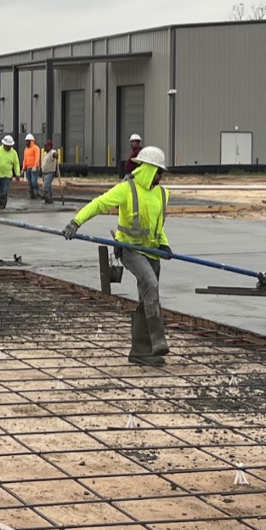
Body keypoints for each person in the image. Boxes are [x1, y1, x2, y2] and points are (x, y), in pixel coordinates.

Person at [64, 145, 171, 365]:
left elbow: (159, 225)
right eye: (159, 172)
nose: (161, 176)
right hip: (129, 249)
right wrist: (76, 222)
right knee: (150, 284)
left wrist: (165, 244)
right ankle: (158, 340)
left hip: (152, 251)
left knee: (148, 296)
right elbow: (99, 204)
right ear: (148, 170)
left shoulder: (162, 193)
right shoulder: (126, 189)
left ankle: (141, 352)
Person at [0, 134, 20, 209]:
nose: (8, 147)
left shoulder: (13, 153)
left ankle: (2, 206)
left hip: (7, 176)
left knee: (4, 193)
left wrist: (17, 173)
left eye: (10, 146)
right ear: (4, 144)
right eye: (7, 145)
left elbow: (16, 163)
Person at [40, 137, 61, 203]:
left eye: (46, 146)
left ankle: (46, 196)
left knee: (45, 187)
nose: (44, 147)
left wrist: (56, 155)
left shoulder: (52, 152)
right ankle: (49, 199)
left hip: (50, 173)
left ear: (49, 146)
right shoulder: (45, 153)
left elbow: (55, 154)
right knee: (48, 187)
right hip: (44, 173)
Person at [22, 134, 42, 199]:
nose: (26, 143)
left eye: (28, 141)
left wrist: (35, 166)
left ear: (31, 141)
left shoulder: (36, 148)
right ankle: (33, 194)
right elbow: (25, 159)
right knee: (30, 182)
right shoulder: (26, 150)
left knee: (34, 181)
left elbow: (37, 157)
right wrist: (23, 168)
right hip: (28, 168)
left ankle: (36, 192)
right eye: (26, 141)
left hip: (34, 168)